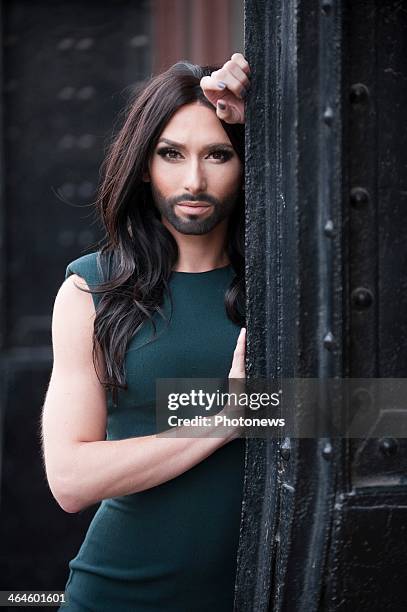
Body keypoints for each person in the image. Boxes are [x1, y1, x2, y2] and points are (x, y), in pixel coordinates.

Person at [41, 51, 251, 611]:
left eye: (219, 154)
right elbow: (70, 478)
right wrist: (224, 421)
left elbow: (367, 413)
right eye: (171, 154)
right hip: (121, 594)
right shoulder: (93, 289)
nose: (194, 179)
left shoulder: (288, 288)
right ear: (143, 165)